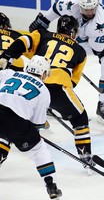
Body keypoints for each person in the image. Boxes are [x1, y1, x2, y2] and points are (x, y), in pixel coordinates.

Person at [0, 15, 95, 169]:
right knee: (80, 118)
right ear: (73, 32)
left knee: (13, 117)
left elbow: (24, 42)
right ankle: (86, 157)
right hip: (58, 88)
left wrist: (8, 56)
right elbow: (72, 82)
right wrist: (55, 103)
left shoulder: (42, 34)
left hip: (32, 85)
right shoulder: (80, 50)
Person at [28, 0, 104, 126]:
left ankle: (103, 105)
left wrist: (71, 43)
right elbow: (55, 8)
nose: (90, 13)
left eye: (92, 9)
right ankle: (47, 98)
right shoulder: (71, 5)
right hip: (83, 37)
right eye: (86, 10)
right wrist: (44, 21)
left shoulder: (100, 24)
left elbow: (97, 49)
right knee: (55, 53)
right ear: (80, 5)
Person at [0, 55, 62, 200]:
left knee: (3, 135)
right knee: (39, 149)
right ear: (44, 73)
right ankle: (50, 184)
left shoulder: (10, 73)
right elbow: (37, 123)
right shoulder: (44, 91)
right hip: (16, 123)